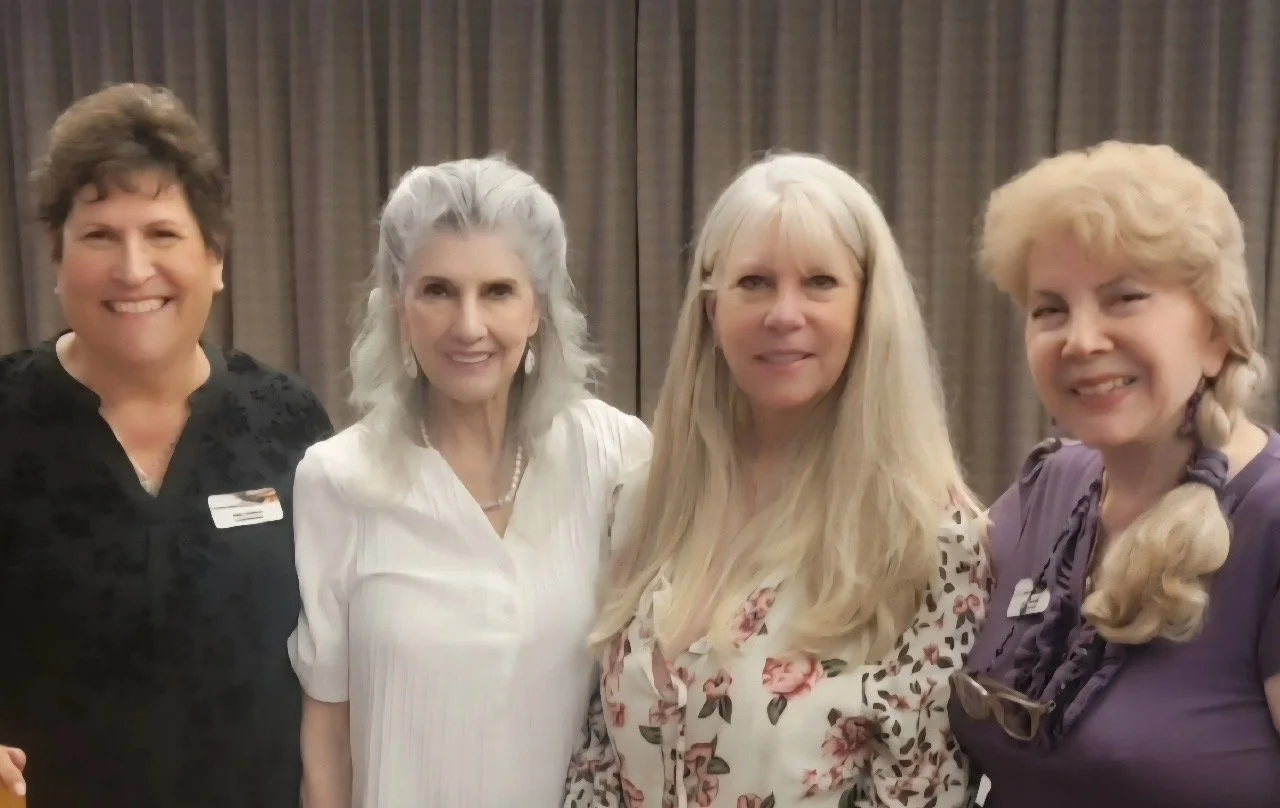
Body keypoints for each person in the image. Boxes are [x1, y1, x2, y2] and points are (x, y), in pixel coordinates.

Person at [564, 153, 990, 807]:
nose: (784, 314)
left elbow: (922, 789)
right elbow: (597, 760)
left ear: (867, 308)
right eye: (755, 282)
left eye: (820, 283)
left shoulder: (931, 539)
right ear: (711, 308)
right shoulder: (645, 499)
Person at [0, 83, 333, 806]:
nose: (132, 269)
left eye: (162, 233)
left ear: (215, 259)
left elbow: (342, 645)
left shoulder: (288, 422)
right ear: (57, 260)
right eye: (99, 236)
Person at [288, 156, 652, 808]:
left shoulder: (613, 454)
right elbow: (328, 735)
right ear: (399, 307)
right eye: (438, 291)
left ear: (537, 309)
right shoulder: (338, 480)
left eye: (498, 291)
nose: (468, 326)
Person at [948, 141, 1280, 806]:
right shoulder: (1048, 487)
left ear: (1216, 330)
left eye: (1124, 298)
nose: (1081, 340)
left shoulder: (1269, 522)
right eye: (1049, 309)